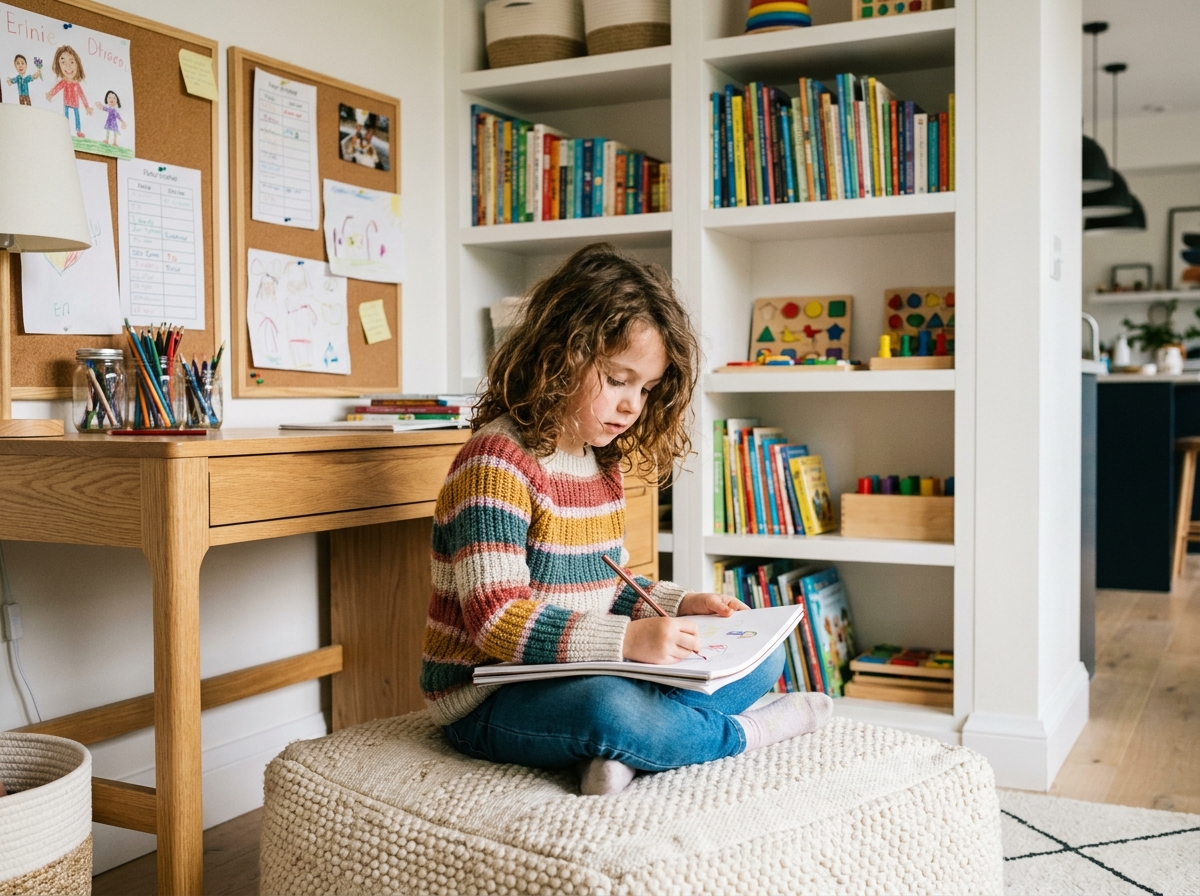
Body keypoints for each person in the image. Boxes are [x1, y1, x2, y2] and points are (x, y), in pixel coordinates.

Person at [421, 243, 832, 796]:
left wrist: (681, 605)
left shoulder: (601, 463)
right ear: (557, 356)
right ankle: (744, 732)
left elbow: (609, 587)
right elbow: (496, 622)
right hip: (489, 697)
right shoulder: (497, 462)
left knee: (760, 657)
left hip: (578, 668)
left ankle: (629, 752)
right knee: (609, 707)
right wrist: (628, 642)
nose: (632, 405)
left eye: (646, 388)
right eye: (618, 379)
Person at [45, 45, 91, 137]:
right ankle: (65, 130)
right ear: (59, 66)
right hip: (66, 103)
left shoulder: (76, 84)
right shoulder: (64, 82)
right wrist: (50, 94)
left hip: (75, 104)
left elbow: (82, 96)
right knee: (65, 118)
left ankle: (78, 131)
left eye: (72, 62)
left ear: (77, 64)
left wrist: (87, 107)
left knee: (77, 117)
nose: (68, 66)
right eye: (63, 62)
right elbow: (57, 88)